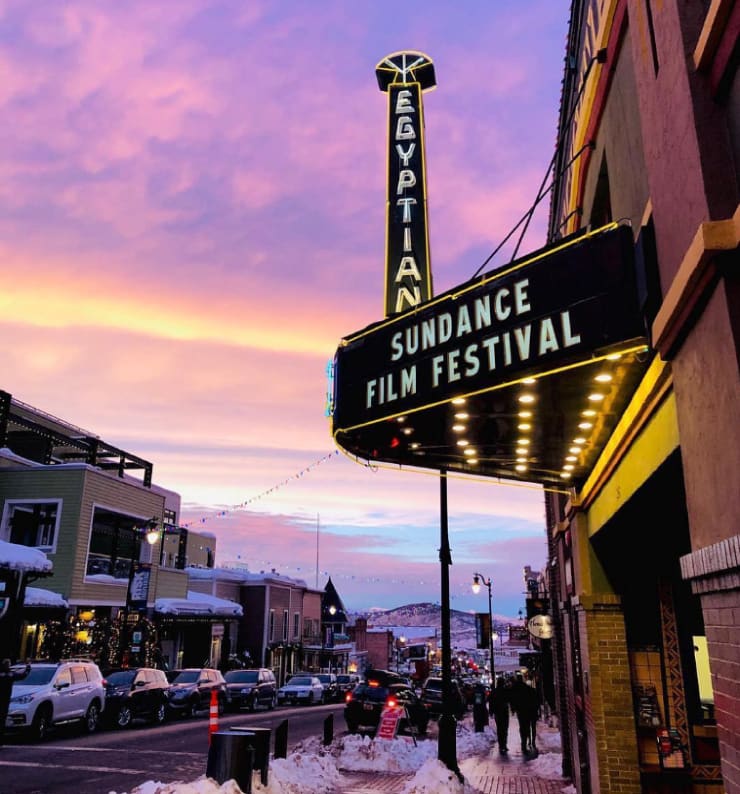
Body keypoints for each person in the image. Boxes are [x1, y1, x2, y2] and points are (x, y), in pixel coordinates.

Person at [0, 659, 30, 747]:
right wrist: (28, 667)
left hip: (4, 699)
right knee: (2, 720)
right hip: (5, 700)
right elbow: (23, 675)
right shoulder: (11, 674)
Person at [509, 673, 540, 754]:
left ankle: (524, 744)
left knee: (523, 727)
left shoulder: (514, 688)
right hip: (530, 710)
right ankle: (531, 741)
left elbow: (512, 699)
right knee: (530, 726)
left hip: (521, 710)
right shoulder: (528, 688)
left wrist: (513, 709)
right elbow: (535, 699)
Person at [488, 677, 511, 754]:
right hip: (504, 712)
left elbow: (490, 702)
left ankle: (501, 745)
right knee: (505, 728)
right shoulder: (505, 691)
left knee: (500, 729)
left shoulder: (494, 692)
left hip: (497, 713)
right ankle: (504, 744)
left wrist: (491, 712)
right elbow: (509, 699)